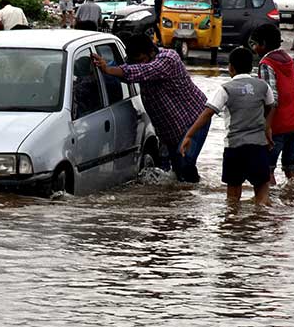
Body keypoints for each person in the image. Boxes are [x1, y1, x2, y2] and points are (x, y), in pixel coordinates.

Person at [92, 33, 209, 183]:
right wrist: (105, 67)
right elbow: (125, 68)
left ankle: (194, 197)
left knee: (184, 165)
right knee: (176, 174)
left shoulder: (168, 59)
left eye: (141, 60)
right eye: (135, 61)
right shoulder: (137, 62)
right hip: (171, 130)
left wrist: (108, 69)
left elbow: (142, 71)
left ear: (151, 52)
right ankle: (183, 200)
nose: (138, 64)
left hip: (195, 120)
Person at [180, 48, 276, 205]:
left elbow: (207, 114)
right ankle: (260, 224)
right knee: (262, 191)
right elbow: (271, 107)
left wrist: (189, 135)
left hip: (234, 148)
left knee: (232, 197)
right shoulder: (263, 87)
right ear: (251, 67)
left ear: (230, 67)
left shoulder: (225, 89)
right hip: (258, 147)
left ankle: (231, 225)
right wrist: (267, 128)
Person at [250, 24, 294, 184]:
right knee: (291, 171)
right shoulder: (287, 58)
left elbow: (272, 98)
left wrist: (267, 127)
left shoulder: (266, 64)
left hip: (278, 126)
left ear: (264, 44)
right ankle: (292, 204)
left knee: (267, 170)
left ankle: (268, 207)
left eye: (255, 44)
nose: (254, 48)